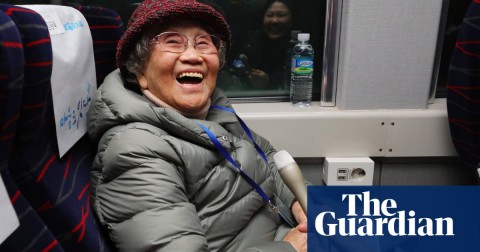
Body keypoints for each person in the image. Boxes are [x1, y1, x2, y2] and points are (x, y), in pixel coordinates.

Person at [86, 0, 307, 251]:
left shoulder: (215, 111)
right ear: (140, 71)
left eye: (203, 43)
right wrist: (289, 248)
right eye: (172, 41)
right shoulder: (134, 151)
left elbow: (266, 157)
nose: (193, 55)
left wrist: (299, 202)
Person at [236, 0, 295, 89]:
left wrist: (269, 81)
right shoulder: (254, 42)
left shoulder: (297, 47)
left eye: (281, 15)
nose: (274, 20)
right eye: (270, 15)